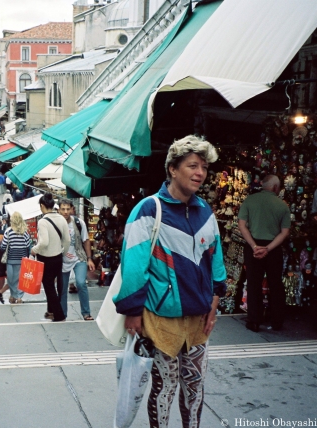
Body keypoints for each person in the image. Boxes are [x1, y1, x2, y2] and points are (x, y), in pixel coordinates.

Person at [113, 136, 226, 428]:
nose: (200, 172)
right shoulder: (148, 209)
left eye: (203, 167)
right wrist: (133, 312)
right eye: (192, 165)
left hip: (199, 320)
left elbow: (216, 262)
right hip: (161, 319)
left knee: (195, 388)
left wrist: (214, 304)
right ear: (173, 169)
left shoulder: (205, 213)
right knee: (164, 387)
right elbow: (134, 266)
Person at [238, 174, 290, 332]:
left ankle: (254, 320)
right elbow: (285, 232)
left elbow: (242, 225)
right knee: (275, 284)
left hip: (253, 245)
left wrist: (254, 246)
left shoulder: (250, 200)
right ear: (275, 188)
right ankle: (277, 321)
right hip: (272, 249)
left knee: (254, 283)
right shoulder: (282, 205)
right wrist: (268, 248)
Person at [31, 193, 70, 322]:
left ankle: (58, 314)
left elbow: (44, 242)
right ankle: (51, 311)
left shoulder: (42, 221)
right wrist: (62, 252)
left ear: (42, 206)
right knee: (56, 285)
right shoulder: (61, 219)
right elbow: (67, 240)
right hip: (58, 257)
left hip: (46, 258)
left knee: (49, 286)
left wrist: (34, 250)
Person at [58, 199, 96, 321]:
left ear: (72, 209)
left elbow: (86, 241)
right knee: (62, 288)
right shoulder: (56, 224)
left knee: (80, 283)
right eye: (63, 209)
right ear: (58, 210)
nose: (65, 212)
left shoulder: (79, 223)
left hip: (79, 258)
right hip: (62, 261)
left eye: (68, 209)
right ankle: (62, 314)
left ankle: (86, 313)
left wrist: (89, 259)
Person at [1, 211, 32, 304]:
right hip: (23, 259)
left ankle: (15, 296)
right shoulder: (25, 232)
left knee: (11, 279)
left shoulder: (8, 231)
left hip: (11, 259)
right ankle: (18, 296)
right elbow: (28, 246)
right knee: (20, 280)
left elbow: (3, 246)